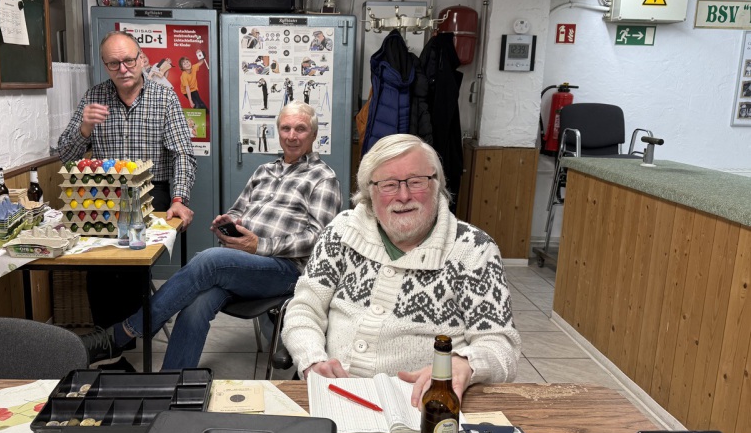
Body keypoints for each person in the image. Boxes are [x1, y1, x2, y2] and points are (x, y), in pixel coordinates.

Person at [81, 101, 342, 371]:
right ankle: (172, 381)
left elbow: (319, 239)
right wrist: (229, 223)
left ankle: (123, 333)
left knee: (210, 260)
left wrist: (260, 245)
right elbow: (239, 209)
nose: (292, 135)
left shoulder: (323, 178)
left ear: (313, 134)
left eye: (300, 129)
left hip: (286, 270)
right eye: (286, 128)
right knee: (197, 303)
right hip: (243, 262)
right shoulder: (265, 171)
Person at [281, 134, 520, 406]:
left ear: (437, 184)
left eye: (416, 182)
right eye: (389, 185)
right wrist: (312, 359)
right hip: (335, 395)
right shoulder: (341, 232)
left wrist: (466, 364)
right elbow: (304, 309)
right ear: (369, 192)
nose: (404, 196)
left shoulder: (474, 250)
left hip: (421, 405)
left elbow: (501, 347)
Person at [58, 31, 197, 337]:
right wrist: (84, 128)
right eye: (114, 63)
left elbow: (182, 154)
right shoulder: (93, 97)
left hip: (151, 191)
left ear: (141, 59)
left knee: (132, 258)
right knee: (99, 264)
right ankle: (108, 342)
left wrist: (179, 199)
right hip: (104, 193)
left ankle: (126, 336)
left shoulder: (164, 97)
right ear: (105, 65)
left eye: (128, 61)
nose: (123, 69)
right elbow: (66, 157)